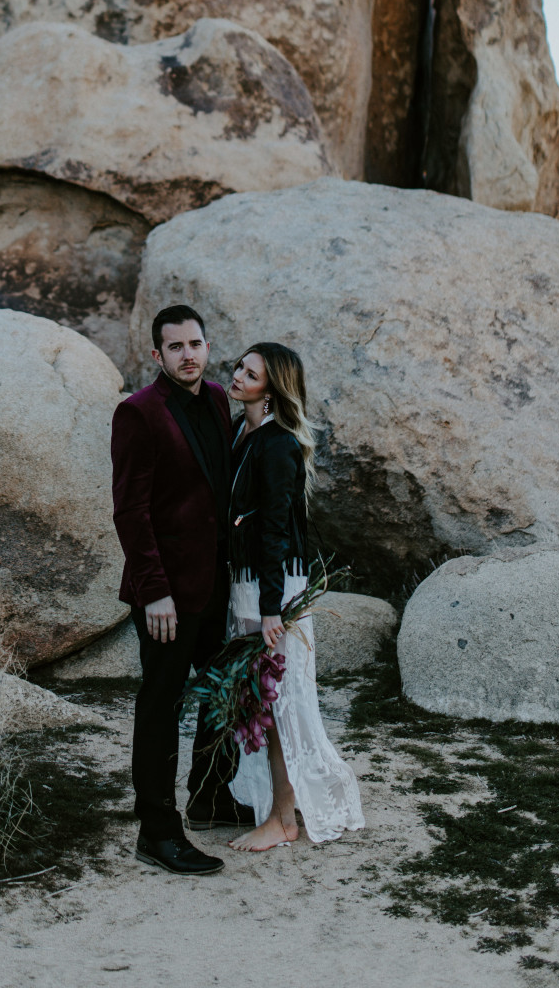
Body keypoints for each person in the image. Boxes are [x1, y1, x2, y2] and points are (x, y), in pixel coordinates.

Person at [110, 304, 254, 877]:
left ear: (207, 346)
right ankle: (157, 830)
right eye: (176, 347)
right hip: (168, 594)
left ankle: (210, 795)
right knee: (161, 706)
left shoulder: (219, 399)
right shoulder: (138, 414)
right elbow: (130, 512)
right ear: (157, 355)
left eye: (195, 344)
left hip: (218, 583)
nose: (188, 355)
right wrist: (154, 593)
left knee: (223, 695)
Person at [226, 342, 365, 851]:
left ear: (272, 387)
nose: (238, 375)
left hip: (275, 589)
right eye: (240, 367)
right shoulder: (243, 433)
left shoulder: (279, 445)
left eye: (251, 373)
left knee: (278, 704)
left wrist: (270, 611)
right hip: (249, 585)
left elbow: (276, 534)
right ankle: (280, 810)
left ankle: (283, 820)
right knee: (261, 702)